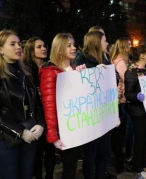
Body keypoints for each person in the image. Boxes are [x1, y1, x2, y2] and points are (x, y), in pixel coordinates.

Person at [0, 29, 45, 179]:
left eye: (19, 44)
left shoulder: (24, 74)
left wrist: (40, 124)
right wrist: (20, 132)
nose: (18, 47)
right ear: (0, 49)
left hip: (30, 134)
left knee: (26, 174)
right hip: (7, 140)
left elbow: (36, 103)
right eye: (12, 44)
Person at [39, 33, 83, 179]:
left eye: (74, 44)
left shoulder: (74, 69)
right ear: (59, 50)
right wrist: (53, 135)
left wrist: (83, 76)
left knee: (73, 164)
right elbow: (49, 105)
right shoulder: (50, 72)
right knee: (69, 167)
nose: (74, 48)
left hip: (77, 126)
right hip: (64, 129)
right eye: (69, 45)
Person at [74, 30, 117, 179]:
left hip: (103, 115)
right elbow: (78, 86)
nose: (107, 43)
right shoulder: (81, 60)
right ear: (97, 43)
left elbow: (112, 81)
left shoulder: (104, 59)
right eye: (105, 40)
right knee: (91, 153)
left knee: (105, 152)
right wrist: (93, 72)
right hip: (90, 117)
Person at [22, 37, 55, 179]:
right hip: (36, 119)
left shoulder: (50, 67)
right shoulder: (26, 72)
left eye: (44, 46)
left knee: (51, 151)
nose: (43, 49)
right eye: (39, 47)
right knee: (38, 153)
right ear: (30, 50)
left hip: (51, 116)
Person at [124, 45, 146, 178]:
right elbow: (128, 93)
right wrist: (136, 96)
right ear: (142, 56)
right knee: (139, 140)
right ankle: (138, 169)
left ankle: (144, 166)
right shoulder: (131, 71)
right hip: (138, 112)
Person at [110, 37, 133, 173]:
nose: (131, 46)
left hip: (122, 98)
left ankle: (122, 156)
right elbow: (127, 79)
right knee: (122, 131)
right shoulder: (121, 62)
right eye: (129, 44)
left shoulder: (123, 60)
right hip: (122, 99)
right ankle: (122, 158)